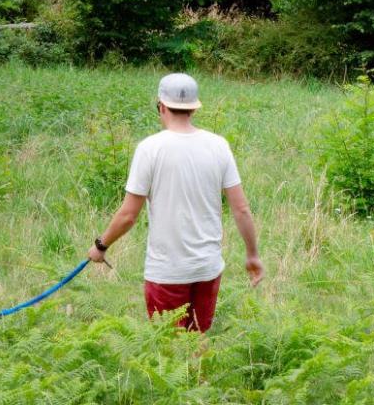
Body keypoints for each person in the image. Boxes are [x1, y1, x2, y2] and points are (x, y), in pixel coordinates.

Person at [87, 73, 261, 332]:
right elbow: (241, 209)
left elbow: (128, 216)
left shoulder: (150, 149)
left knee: (169, 351)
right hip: (207, 268)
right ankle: (199, 375)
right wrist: (252, 255)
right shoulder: (219, 146)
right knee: (196, 339)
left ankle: (191, 375)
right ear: (194, 108)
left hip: (167, 270)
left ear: (161, 106)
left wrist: (101, 246)